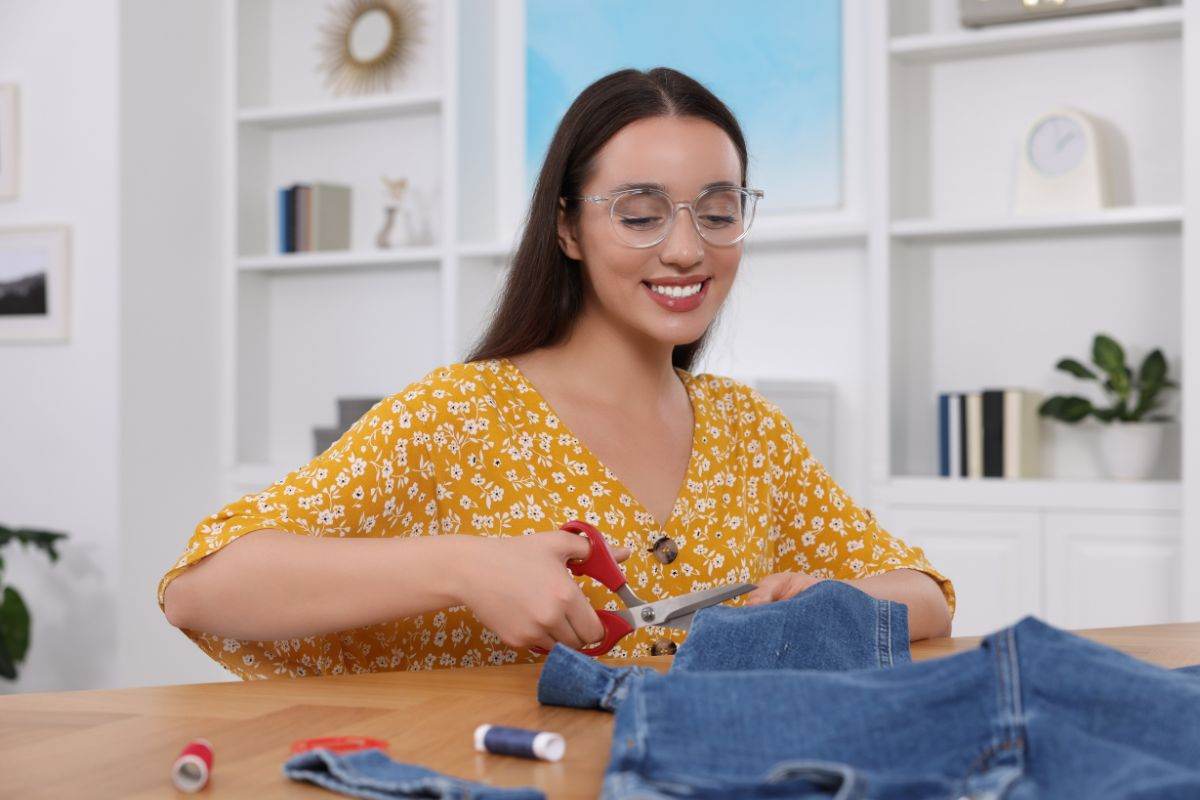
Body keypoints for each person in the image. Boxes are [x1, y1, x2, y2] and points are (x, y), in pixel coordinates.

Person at [160, 67, 955, 680]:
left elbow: (926, 597)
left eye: (718, 212)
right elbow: (201, 588)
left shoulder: (747, 430)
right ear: (568, 228)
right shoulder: (459, 413)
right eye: (640, 214)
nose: (687, 249)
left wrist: (834, 605)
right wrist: (461, 567)